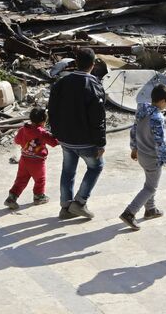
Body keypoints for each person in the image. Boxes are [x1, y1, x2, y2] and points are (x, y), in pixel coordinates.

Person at [48, 47, 106, 220]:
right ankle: (79, 203)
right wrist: (101, 142)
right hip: (86, 141)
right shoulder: (94, 85)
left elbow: (52, 110)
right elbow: (98, 118)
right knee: (96, 166)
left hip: (65, 139)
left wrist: (56, 133)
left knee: (68, 171)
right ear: (93, 64)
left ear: (76, 63)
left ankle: (65, 207)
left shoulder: (61, 83)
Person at [119, 83, 166, 230]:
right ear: (163, 101)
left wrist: (134, 148)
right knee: (151, 187)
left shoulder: (142, 111)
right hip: (153, 158)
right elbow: (161, 143)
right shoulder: (158, 118)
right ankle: (129, 213)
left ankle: (150, 209)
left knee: (150, 183)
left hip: (142, 155)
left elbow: (134, 130)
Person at [4, 108, 59, 210]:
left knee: (21, 179)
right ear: (43, 121)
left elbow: (17, 140)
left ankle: (11, 198)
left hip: (24, 159)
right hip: (37, 162)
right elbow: (54, 143)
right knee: (40, 179)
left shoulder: (23, 129)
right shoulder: (42, 133)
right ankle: (39, 196)